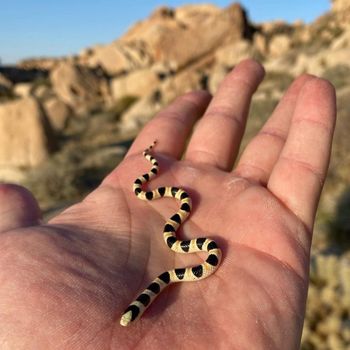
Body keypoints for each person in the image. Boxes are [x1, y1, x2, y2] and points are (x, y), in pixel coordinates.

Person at [0, 59, 336, 349]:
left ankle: (151, 169)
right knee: (168, 219)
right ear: (141, 305)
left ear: (140, 302)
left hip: (177, 236)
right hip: (176, 239)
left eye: (133, 312)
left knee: (172, 221)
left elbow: (195, 255)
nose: (132, 316)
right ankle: (151, 170)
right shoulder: (170, 273)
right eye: (134, 312)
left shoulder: (175, 266)